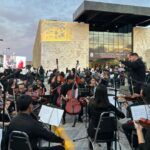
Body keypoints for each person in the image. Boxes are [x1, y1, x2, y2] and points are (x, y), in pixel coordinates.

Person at [87, 84, 125, 150]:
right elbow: (122, 116)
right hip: (109, 134)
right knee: (108, 126)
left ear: (96, 93)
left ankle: (91, 147)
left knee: (90, 124)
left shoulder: (91, 103)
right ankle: (109, 147)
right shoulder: (109, 105)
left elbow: (89, 116)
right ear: (105, 94)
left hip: (94, 133)